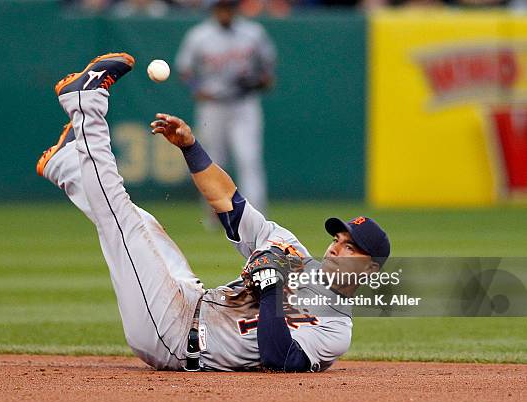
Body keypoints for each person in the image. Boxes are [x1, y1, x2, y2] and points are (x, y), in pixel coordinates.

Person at [36, 52, 391, 372]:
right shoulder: (291, 250)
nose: (335, 248)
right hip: (192, 300)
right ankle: (67, 165)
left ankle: (87, 102)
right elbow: (229, 205)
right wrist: (191, 148)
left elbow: (279, 358)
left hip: (174, 339)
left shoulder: (335, 328)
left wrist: (270, 288)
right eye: (337, 238)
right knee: (142, 223)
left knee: (122, 223)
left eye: (350, 247)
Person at [175, 0, 276, 220]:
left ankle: (256, 216)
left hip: (244, 104)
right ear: (214, 10)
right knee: (211, 161)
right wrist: (197, 89)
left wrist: (258, 81)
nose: (225, 12)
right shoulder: (199, 36)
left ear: (235, 9)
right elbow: (185, 70)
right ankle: (216, 214)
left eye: (228, 7)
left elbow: (268, 71)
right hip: (212, 106)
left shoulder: (253, 33)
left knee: (248, 159)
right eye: (221, 7)